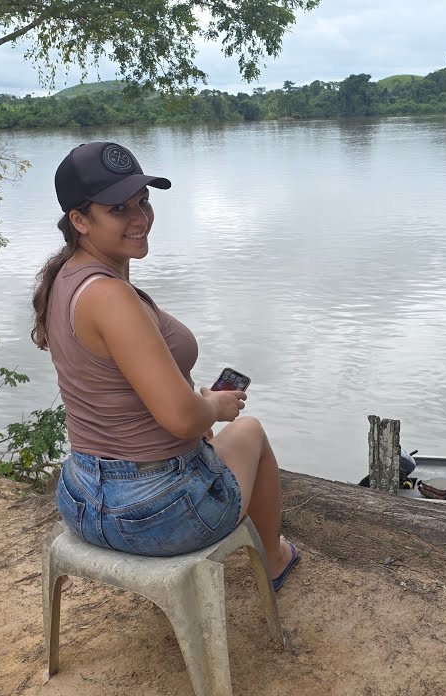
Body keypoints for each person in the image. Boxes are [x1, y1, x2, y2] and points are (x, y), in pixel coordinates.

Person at [31, 141, 300, 591]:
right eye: (118, 209)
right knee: (249, 431)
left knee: (213, 438)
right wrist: (213, 407)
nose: (140, 219)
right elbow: (181, 420)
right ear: (79, 220)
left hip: (81, 500)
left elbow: (126, 389)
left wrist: (197, 412)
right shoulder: (109, 296)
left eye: (143, 202)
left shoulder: (65, 278)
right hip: (150, 513)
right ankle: (273, 558)